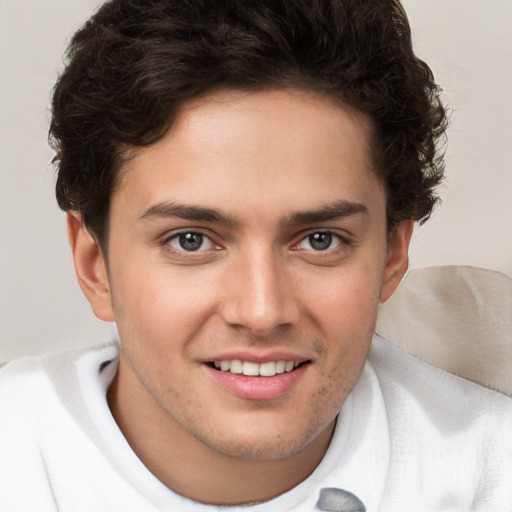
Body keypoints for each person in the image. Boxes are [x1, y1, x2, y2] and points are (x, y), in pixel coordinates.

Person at [0, 0, 510, 510]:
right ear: (95, 266)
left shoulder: (492, 472)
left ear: (392, 256)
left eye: (320, 240)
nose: (262, 312)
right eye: (191, 240)